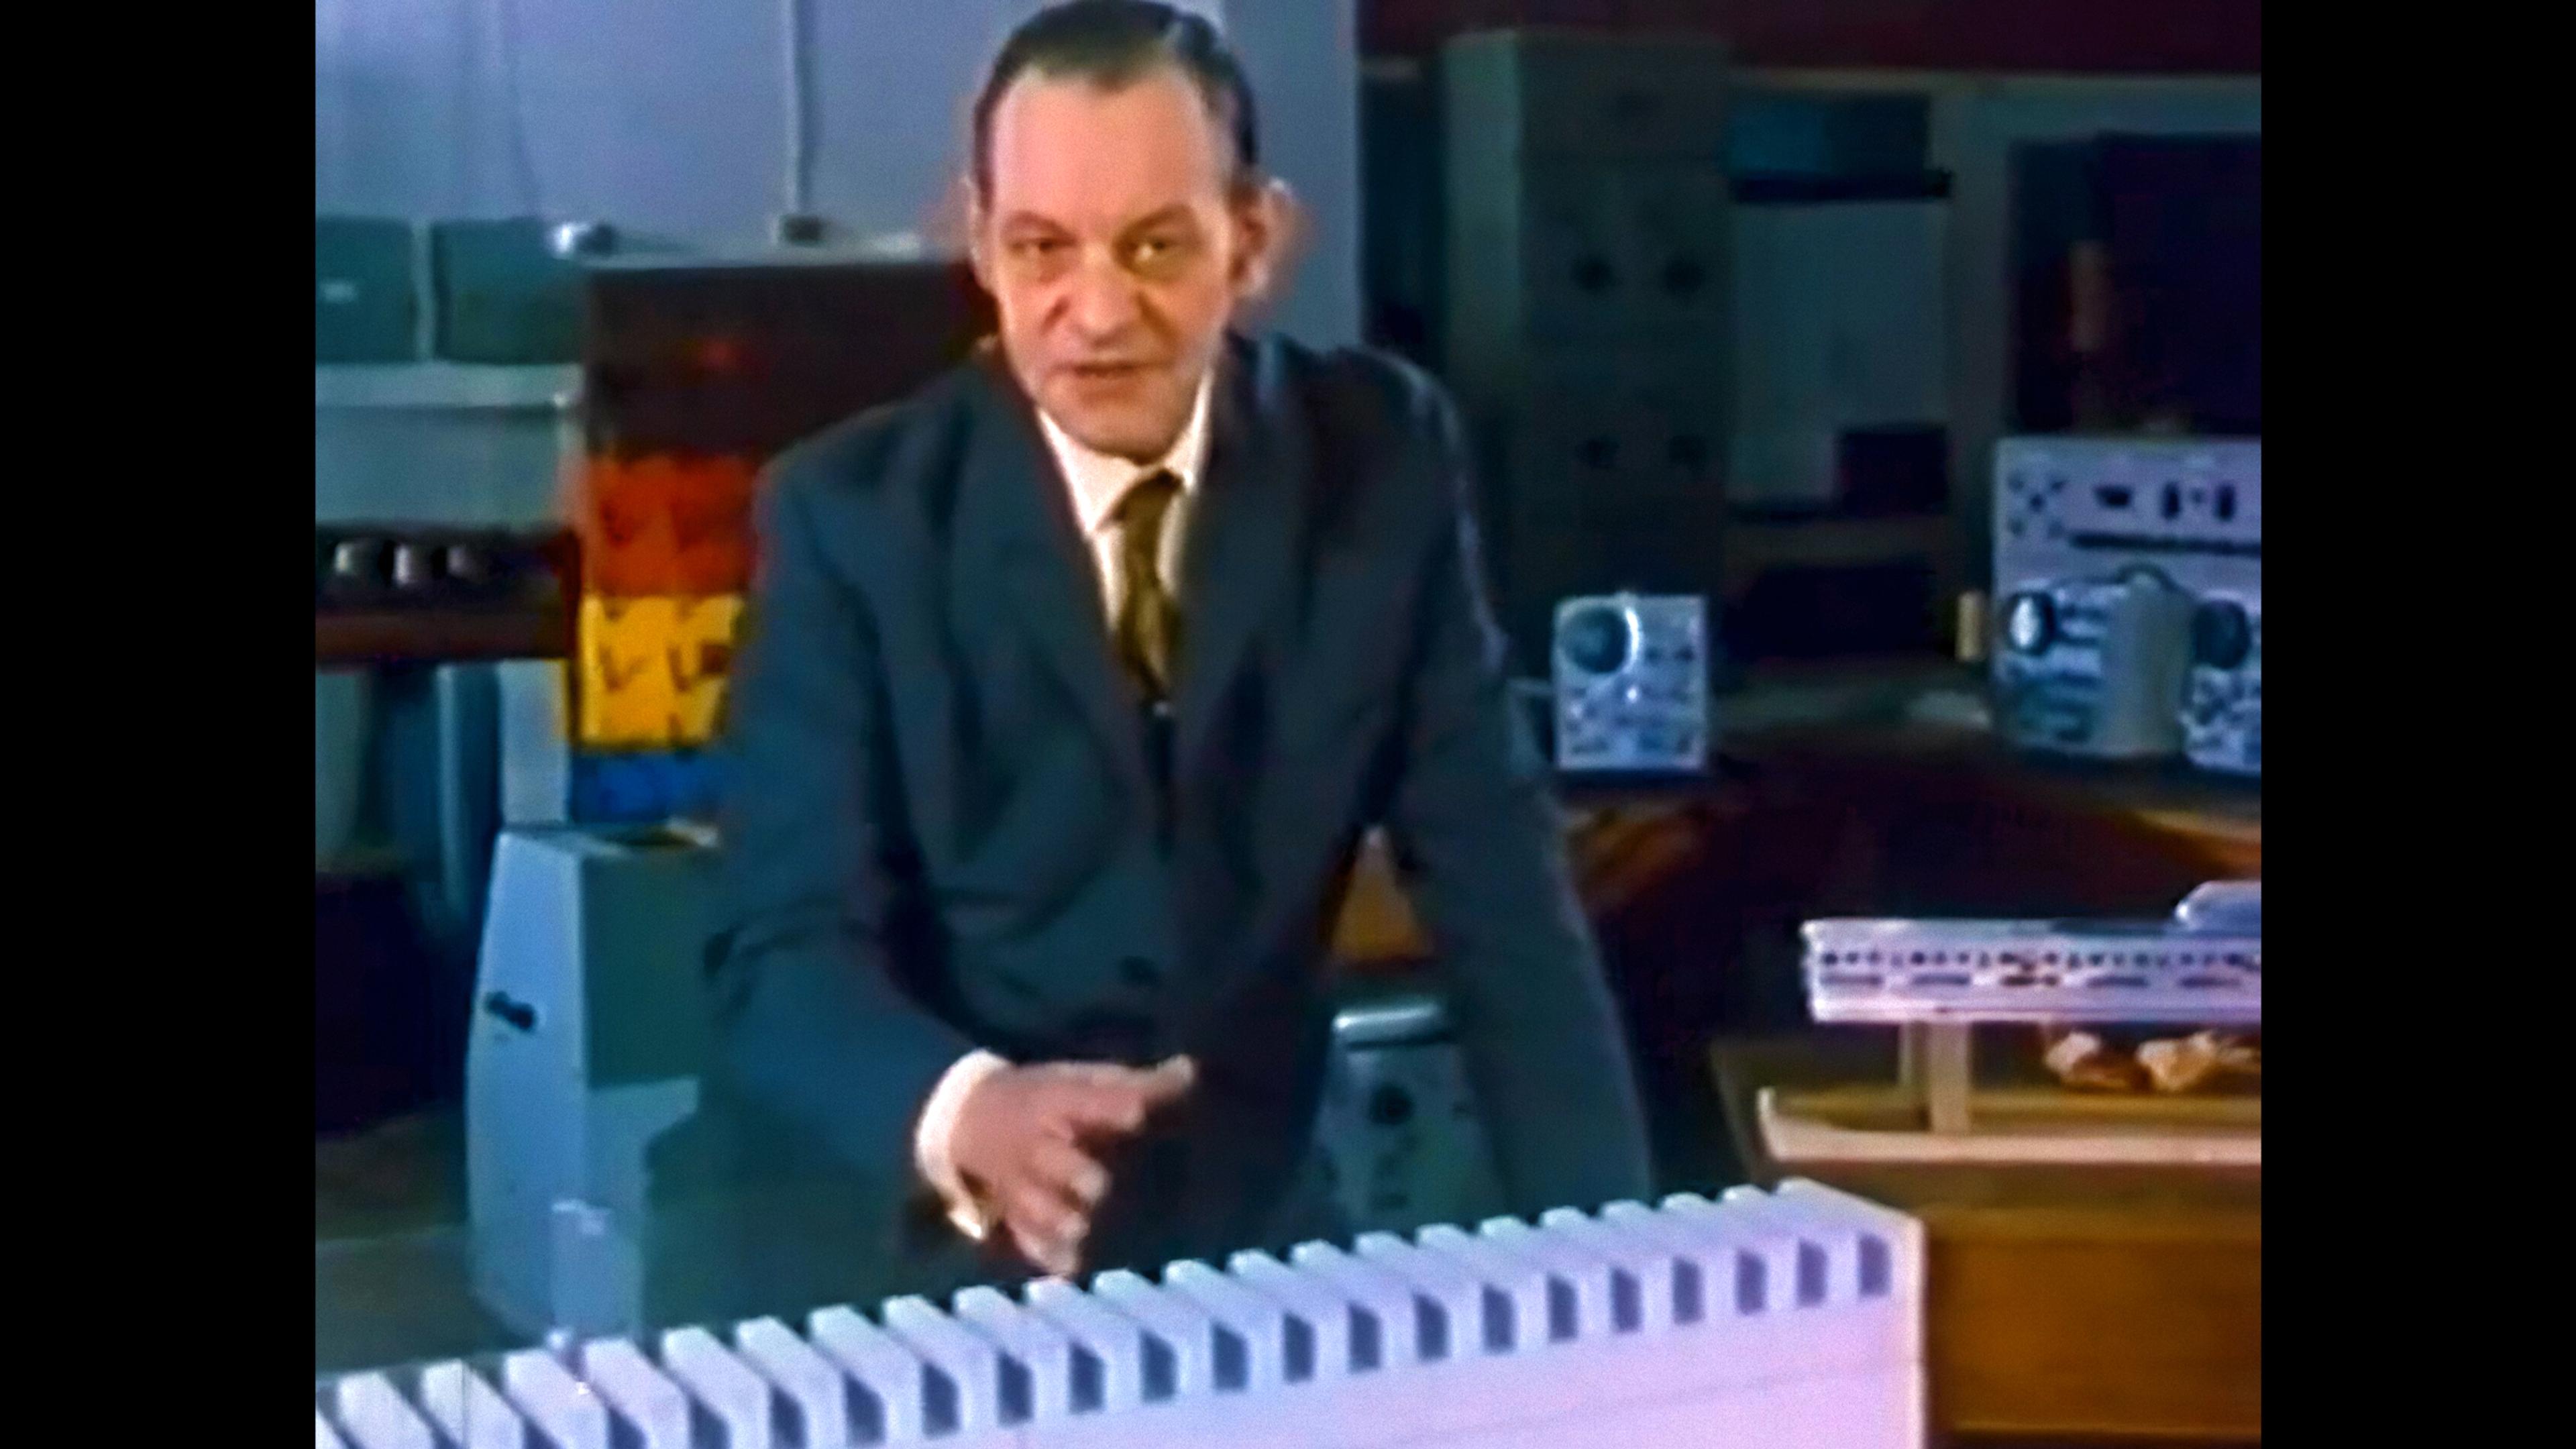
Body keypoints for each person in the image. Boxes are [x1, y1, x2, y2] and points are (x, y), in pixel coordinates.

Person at [675, 0, 1650, 1310]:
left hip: (1252, 1241)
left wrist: (1627, 1276)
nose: (1096, 313)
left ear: (1254, 242)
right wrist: (970, 1111)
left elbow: (1499, 887)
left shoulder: (1378, 458)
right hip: (906, 1264)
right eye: (1042, 251)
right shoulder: (853, 519)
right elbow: (778, 955)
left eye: (1153, 247)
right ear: (979, 244)